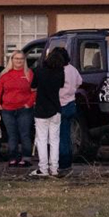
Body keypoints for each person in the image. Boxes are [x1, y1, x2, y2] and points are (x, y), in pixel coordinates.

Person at [0, 50, 35, 167]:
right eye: (16, 58)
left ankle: (26, 158)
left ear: (24, 60)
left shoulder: (29, 73)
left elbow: (34, 91)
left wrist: (29, 103)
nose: (19, 61)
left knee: (25, 134)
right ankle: (13, 157)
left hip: (24, 109)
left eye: (21, 58)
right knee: (12, 135)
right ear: (11, 60)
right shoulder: (4, 75)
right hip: (8, 110)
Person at [30, 48, 66, 177]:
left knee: (42, 139)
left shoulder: (39, 70)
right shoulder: (60, 72)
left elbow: (33, 86)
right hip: (56, 108)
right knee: (55, 140)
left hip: (41, 109)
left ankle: (43, 169)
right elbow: (61, 86)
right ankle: (54, 168)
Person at [57, 47, 82, 172]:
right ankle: (68, 160)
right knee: (67, 134)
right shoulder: (73, 69)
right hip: (71, 103)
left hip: (60, 104)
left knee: (60, 136)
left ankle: (62, 161)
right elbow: (79, 82)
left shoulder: (58, 70)